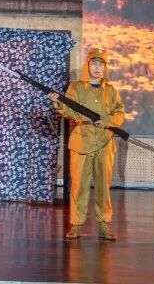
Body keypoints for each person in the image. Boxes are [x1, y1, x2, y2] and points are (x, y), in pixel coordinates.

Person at [50, 47, 126, 240]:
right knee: (79, 186)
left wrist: (107, 121)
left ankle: (104, 224)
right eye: (94, 63)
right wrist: (58, 103)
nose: (98, 67)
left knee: (103, 186)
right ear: (88, 65)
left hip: (104, 141)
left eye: (101, 64)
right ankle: (76, 225)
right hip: (82, 140)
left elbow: (119, 112)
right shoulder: (76, 88)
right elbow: (69, 111)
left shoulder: (110, 91)